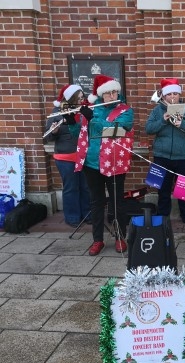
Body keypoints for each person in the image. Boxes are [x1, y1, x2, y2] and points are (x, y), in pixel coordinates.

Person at [68, 74, 134, 256]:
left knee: (117, 202)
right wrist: (70, 122)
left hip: (113, 163)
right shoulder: (92, 109)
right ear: (101, 95)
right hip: (91, 163)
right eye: (109, 93)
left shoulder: (125, 110)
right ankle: (98, 240)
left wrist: (93, 119)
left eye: (115, 92)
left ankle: (120, 237)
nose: (113, 95)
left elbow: (120, 130)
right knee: (96, 202)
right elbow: (79, 135)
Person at [145, 78, 185, 228]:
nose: (172, 97)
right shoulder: (157, 110)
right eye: (169, 94)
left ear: (179, 95)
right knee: (163, 189)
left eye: (175, 94)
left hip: (183, 157)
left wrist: (182, 124)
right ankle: (163, 216)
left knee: (184, 189)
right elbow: (149, 129)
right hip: (162, 156)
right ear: (163, 96)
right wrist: (163, 120)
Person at [45, 84, 91, 228]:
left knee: (85, 186)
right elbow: (48, 138)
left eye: (82, 98)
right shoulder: (57, 112)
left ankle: (88, 214)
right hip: (65, 157)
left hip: (83, 155)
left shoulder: (83, 110)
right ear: (70, 98)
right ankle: (72, 217)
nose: (81, 101)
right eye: (79, 98)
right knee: (71, 187)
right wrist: (54, 131)